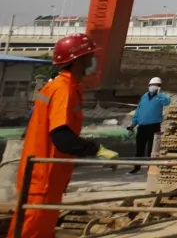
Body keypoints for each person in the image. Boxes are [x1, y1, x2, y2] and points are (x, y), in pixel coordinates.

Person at [9, 34, 118, 238]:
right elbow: (62, 137)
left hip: (47, 176)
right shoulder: (63, 89)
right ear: (78, 60)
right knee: (30, 233)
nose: (92, 60)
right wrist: (96, 149)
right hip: (43, 178)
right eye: (89, 56)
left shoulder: (63, 86)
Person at [126, 76, 171, 174]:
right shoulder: (144, 96)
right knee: (139, 149)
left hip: (154, 126)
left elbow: (167, 102)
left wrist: (160, 94)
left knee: (152, 149)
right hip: (142, 126)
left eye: (155, 85)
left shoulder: (160, 97)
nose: (152, 87)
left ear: (159, 87)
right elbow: (138, 110)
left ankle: (151, 169)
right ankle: (136, 168)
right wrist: (133, 123)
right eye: (151, 85)